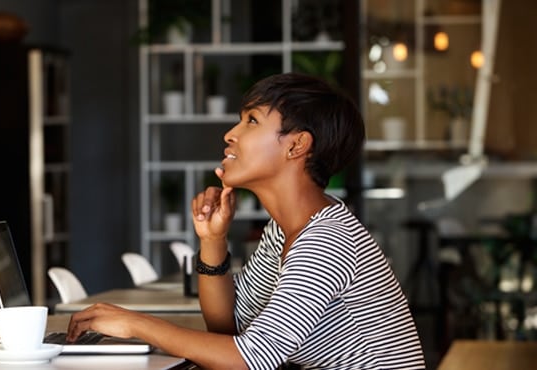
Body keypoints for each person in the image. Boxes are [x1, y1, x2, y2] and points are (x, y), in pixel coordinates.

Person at [66, 73, 426, 369]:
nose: (230, 134)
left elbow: (252, 358)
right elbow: (228, 327)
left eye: (252, 121)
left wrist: (135, 324)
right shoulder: (283, 231)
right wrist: (213, 241)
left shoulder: (326, 239)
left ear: (297, 145)